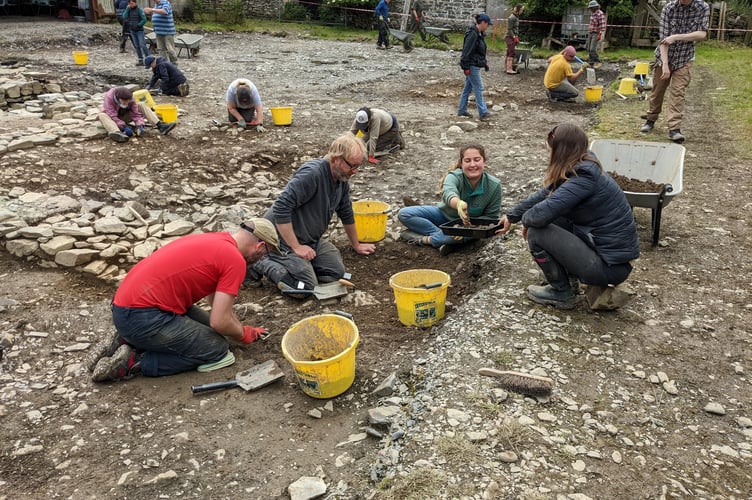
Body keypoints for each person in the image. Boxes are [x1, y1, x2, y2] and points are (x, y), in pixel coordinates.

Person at [91, 219, 280, 383]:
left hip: (126, 307)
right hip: (141, 316)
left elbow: (216, 306)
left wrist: (239, 328)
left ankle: (124, 339)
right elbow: (220, 321)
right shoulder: (235, 260)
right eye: (267, 253)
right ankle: (134, 361)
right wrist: (242, 334)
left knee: (213, 332)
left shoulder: (218, 240)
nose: (262, 258)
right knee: (217, 349)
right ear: (260, 246)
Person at [496, 123, 640, 310]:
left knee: (536, 233)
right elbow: (545, 194)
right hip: (609, 258)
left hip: (609, 267)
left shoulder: (583, 178)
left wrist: (527, 221)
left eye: (550, 151)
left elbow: (539, 216)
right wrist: (511, 216)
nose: (548, 155)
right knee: (554, 218)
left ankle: (561, 292)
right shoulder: (583, 166)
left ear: (560, 152)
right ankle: (569, 279)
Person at [250, 133, 376, 295]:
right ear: (336, 159)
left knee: (336, 274)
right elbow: (281, 207)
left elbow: (346, 213)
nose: (355, 171)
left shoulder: (341, 180)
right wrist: (296, 247)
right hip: (280, 241)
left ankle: (298, 266)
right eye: (352, 166)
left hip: (310, 239)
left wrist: (356, 244)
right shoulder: (313, 174)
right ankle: (261, 262)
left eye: (358, 166)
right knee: (304, 287)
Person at [398, 144, 501, 256]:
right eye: (467, 160)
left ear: (484, 161)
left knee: (460, 237)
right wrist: (458, 204)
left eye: (477, 160)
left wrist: (464, 229)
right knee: (404, 213)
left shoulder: (494, 185)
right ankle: (441, 236)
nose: (472, 164)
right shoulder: (454, 176)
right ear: (461, 163)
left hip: (471, 227)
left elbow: (491, 217)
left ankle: (424, 239)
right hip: (444, 215)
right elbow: (448, 193)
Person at [639, 0, 709, 144]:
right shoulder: (669, 9)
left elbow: (702, 34)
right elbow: (663, 41)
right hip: (664, 57)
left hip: (685, 57)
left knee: (678, 92)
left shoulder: (702, 7)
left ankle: (674, 129)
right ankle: (651, 119)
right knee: (658, 90)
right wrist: (665, 64)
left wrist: (677, 36)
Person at [98, 86, 176, 143]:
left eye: (127, 101)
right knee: (102, 115)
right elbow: (112, 116)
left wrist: (139, 125)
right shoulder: (109, 98)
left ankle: (160, 126)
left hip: (124, 116)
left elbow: (136, 114)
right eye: (124, 101)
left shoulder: (131, 98)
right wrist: (124, 126)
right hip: (113, 120)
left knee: (141, 104)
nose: (126, 103)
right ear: (118, 98)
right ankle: (117, 133)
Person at [458, 13, 493, 120]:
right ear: (482, 23)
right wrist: (466, 67)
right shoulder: (473, 34)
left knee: (467, 89)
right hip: (472, 65)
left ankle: (462, 110)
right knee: (479, 88)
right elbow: (466, 51)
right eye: (487, 24)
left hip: (475, 64)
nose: (488, 27)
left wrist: (484, 62)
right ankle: (483, 112)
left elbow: (479, 51)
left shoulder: (479, 34)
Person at [144, 0, 177, 64]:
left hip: (167, 31)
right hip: (158, 31)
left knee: (170, 49)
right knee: (161, 49)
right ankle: (164, 63)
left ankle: (174, 63)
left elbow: (165, 11)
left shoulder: (165, 2)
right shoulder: (156, 5)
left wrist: (152, 10)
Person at [123, 0, 150, 67]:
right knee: (137, 46)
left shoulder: (139, 10)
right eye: (129, 3)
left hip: (139, 30)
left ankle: (149, 59)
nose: (130, 5)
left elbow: (144, 19)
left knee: (143, 45)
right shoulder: (129, 10)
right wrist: (127, 9)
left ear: (135, 3)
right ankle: (140, 60)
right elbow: (124, 16)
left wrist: (139, 25)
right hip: (132, 30)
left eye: (132, 3)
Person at [505, 4, 524, 75]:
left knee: (509, 52)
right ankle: (509, 69)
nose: (522, 11)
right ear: (518, 9)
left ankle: (506, 68)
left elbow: (514, 29)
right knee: (511, 52)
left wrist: (516, 36)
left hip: (513, 37)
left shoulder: (516, 17)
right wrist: (514, 37)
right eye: (521, 9)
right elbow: (509, 29)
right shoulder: (512, 18)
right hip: (509, 37)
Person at [586, 0, 606, 69]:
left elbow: (602, 26)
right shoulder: (593, 13)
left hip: (596, 33)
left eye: (591, 8)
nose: (590, 9)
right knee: (588, 48)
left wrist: (600, 34)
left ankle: (598, 61)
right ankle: (591, 62)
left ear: (595, 7)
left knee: (592, 49)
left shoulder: (600, 14)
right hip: (590, 32)